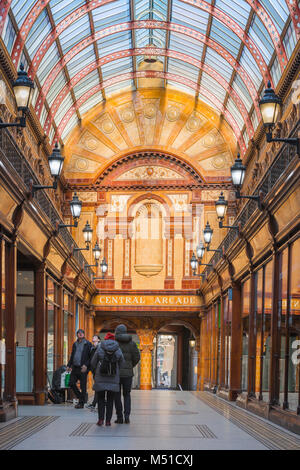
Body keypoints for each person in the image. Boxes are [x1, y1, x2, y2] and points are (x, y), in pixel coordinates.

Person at [91, 332, 124, 426]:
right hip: (113, 378)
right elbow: (122, 363)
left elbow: (93, 362)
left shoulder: (100, 347)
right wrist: (117, 369)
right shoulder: (118, 349)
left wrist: (95, 370)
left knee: (101, 398)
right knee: (110, 399)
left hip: (100, 377)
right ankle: (108, 421)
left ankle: (101, 419)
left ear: (105, 339)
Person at [114, 324, 140, 424]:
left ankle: (119, 417)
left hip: (116, 373)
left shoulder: (115, 343)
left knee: (117, 395)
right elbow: (137, 357)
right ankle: (127, 416)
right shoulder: (132, 343)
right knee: (127, 395)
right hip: (128, 374)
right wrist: (130, 366)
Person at [67, 329, 92, 409]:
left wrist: (86, 365)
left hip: (83, 368)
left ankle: (81, 403)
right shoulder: (75, 344)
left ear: (84, 334)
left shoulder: (88, 344)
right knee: (71, 383)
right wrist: (69, 365)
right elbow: (72, 355)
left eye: (82, 333)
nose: (80, 334)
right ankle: (82, 397)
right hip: (75, 367)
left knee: (83, 386)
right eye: (79, 333)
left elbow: (91, 357)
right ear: (77, 335)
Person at [86, 334, 101, 410]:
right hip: (94, 370)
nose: (93, 338)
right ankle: (95, 404)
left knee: (98, 387)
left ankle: (95, 404)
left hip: (98, 371)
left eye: (95, 337)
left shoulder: (100, 348)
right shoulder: (92, 348)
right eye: (93, 337)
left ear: (98, 340)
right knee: (97, 387)